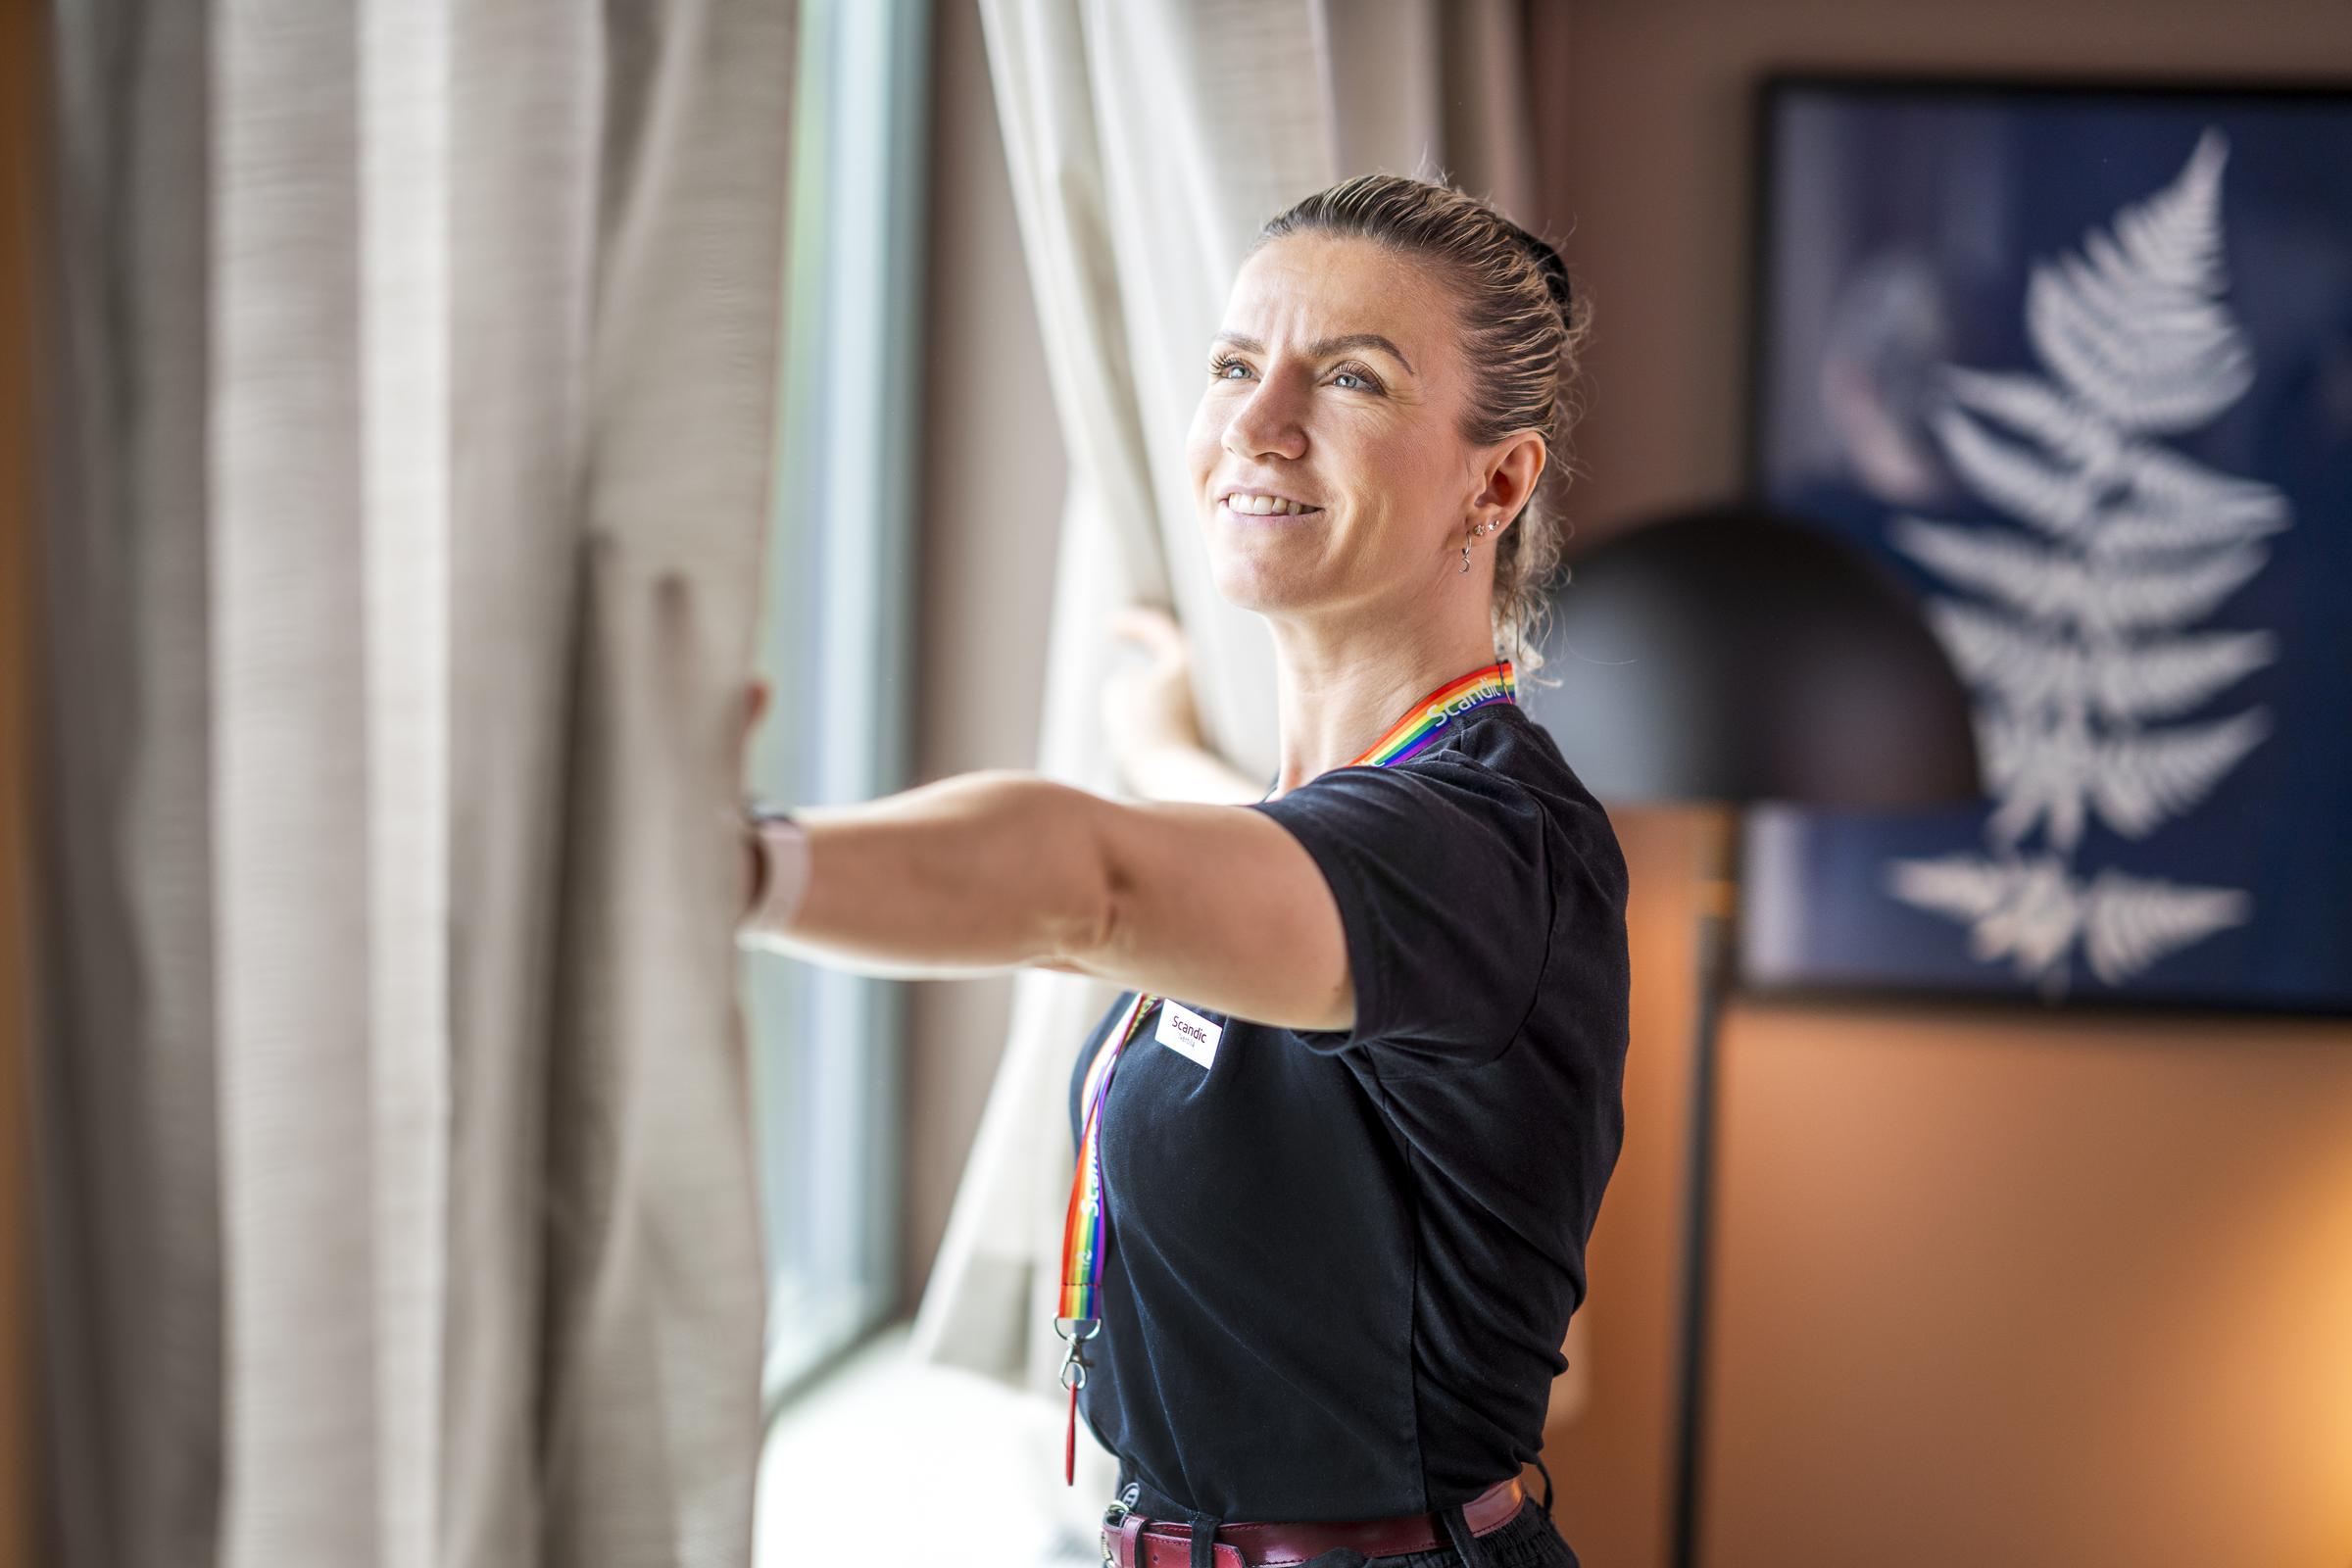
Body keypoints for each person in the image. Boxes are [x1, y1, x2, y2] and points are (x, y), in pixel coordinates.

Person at [736, 173, 1627, 1568]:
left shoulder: (1488, 846)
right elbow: (1272, 861)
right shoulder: (1353, 831)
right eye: (1231, 365)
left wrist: (734, 871)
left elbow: (1101, 889)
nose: (1258, 425)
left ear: (1498, 479)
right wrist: (1161, 753)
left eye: (1351, 380)